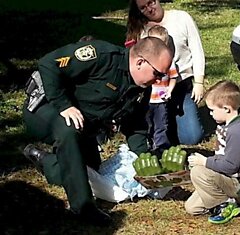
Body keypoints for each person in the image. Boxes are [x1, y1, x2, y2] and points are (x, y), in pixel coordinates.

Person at [22, 37, 172, 226]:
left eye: (163, 76)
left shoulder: (142, 86)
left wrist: (144, 159)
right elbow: (48, 64)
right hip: (46, 108)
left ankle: (46, 161)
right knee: (69, 130)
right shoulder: (101, 55)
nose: (159, 80)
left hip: (84, 124)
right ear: (140, 62)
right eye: (158, 74)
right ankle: (84, 208)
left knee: (90, 172)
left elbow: (135, 125)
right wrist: (63, 105)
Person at [126, 0, 205, 145]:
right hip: (155, 89)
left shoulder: (181, 18)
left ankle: (177, 121)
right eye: (143, 8)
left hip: (181, 84)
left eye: (151, 2)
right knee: (155, 126)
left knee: (191, 137)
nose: (149, 9)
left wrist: (199, 81)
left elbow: (197, 50)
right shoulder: (140, 29)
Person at [185, 80, 240, 224]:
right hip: (224, 179)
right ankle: (224, 200)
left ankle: (227, 204)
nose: (210, 114)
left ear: (227, 109)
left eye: (212, 110)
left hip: (237, 184)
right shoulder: (226, 126)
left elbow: (231, 166)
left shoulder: (236, 132)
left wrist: (204, 162)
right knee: (191, 207)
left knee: (198, 171)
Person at [145, 25, 177, 152]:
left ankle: (161, 146)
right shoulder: (145, 60)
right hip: (147, 100)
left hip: (161, 99)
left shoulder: (168, 61)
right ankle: (147, 143)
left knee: (161, 124)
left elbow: (173, 77)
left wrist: (169, 90)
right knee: (147, 123)